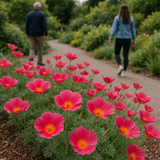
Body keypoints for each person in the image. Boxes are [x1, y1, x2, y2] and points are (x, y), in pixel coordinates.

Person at [109, 4, 136, 77]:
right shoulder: (131, 19)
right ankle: (124, 72)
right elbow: (133, 30)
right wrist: (134, 39)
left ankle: (120, 65)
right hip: (128, 39)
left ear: (120, 10)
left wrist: (111, 38)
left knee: (117, 53)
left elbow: (113, 29)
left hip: (119, 38)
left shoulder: (117, 18)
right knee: (126, 55)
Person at [25, 2, 48, 66]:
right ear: (40, 7)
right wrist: (46, 34)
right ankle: (39, 62)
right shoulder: (42, 14)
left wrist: (27, 33)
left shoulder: (29, 14)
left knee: (32, 48)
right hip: (40, 34)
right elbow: (44, 25)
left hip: (31, 34)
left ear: (34, 7)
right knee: (40, 48)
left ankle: (30, 59)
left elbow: (26, 25)